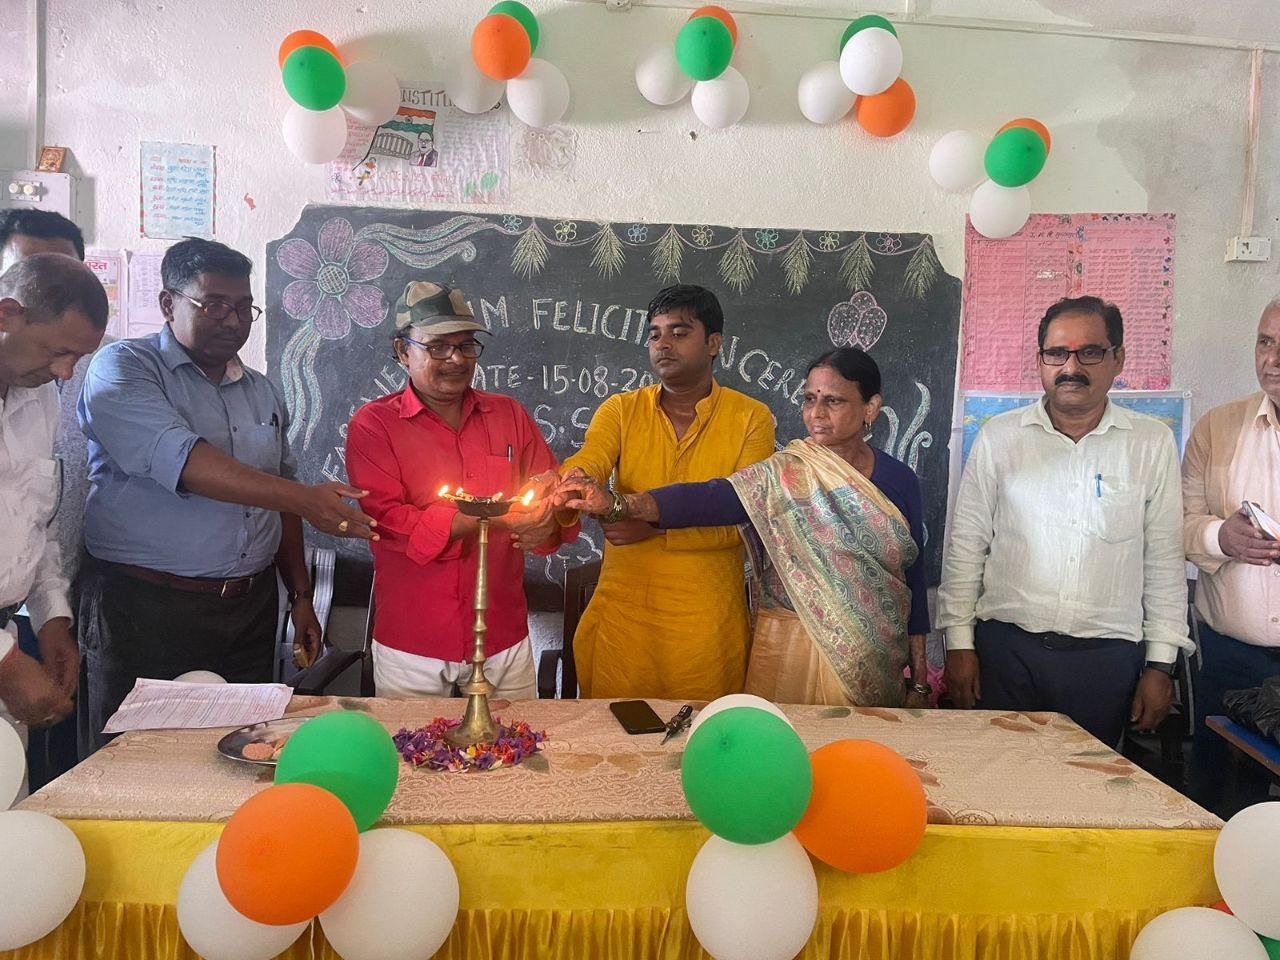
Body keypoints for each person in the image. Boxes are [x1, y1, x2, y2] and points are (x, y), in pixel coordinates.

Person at [78, 238, 375, 750]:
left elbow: (277, 500)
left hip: (248, 610)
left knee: (241, 751)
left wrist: (300, 597)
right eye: (213, 305)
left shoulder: (260, 390)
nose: (233, 321)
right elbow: (187, 462)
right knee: (137, 760)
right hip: (146, 607)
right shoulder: (123, 370)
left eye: (244, 308)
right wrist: (306, 497)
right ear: (168, 304)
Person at [558, 347, 930, 707]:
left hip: (876, 661)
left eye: (833, 401)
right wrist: (621, 503)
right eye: (808, 399)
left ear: (870, 407)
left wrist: (920, 677)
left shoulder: (900, 481)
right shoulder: (784, 474)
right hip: (792, 652)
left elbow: (911, 578)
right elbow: (714, 498)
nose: (816, 413)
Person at [938, 295, 1192, 746]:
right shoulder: (1000, 439)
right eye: (1057, 353)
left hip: (1106, 661)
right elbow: (966, 547)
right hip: (1007, 650)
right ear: (1040, 361)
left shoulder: (1150, 445)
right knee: (995, 784)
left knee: (1085, 794)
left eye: (1090, 352)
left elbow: (1165, 562)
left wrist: (1160, 665)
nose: (1071, 367)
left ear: (1118, 359)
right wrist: (959, 644)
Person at [345, 282, 577, 699]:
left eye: (466, 345)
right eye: (437, 346)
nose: (456, 359)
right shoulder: (373, 426)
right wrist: (492, 517)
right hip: (413, 640)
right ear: (403, 352)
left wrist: (550, 519)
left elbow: (549, 490)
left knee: (515, 753)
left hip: (502, 636)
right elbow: (387, 521)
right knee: (411, 758)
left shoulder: (509, 415)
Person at [558, 284, 776, 701]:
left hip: (706, 633)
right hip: (625, 627)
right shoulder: (621, 410)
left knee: (700, 752)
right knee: (616, 749)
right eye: (654, 334)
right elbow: (591, 458)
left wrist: (653, 528)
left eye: (679, 333)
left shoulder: (751, 418)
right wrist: (572, 482)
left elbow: (747, 519)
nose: (663, 345)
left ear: (714, 343)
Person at [0, 254, 107, 778]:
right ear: (7, 315)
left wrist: (53, 618)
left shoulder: (38, 395)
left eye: (78, 358)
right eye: (60, 352)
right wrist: (6, 665)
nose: (66, 373)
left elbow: (33, 521)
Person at [1182, 296, 1280, 809]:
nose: (1273, 359)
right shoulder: (1217, 428)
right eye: (1265, 342)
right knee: (1220, 796)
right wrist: (1222, 537)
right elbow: (1179, 519)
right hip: (1230, 652)